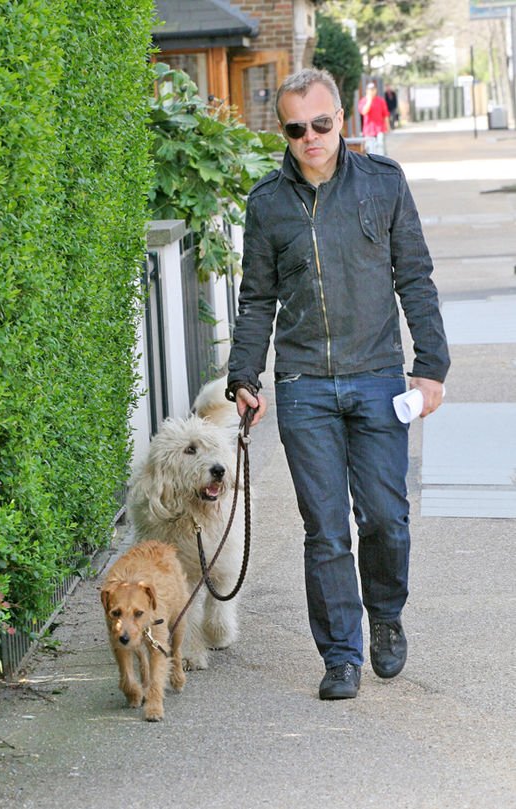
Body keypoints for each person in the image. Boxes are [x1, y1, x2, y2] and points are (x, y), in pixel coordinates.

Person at [225, 68, 449, 701]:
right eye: (297, 129)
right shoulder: (267, 202)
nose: (311, 138)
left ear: (342, 119)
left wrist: (430, 366)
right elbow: (256, 298)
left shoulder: (383, 184)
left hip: (379, 376)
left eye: (321, 124)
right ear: (285, 133)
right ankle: (341, 655)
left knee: (385, 518)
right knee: (324, 528)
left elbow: (417, 278)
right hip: (303, 386)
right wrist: (245, 375)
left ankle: (385, 618)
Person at [358, 80, 390, 154]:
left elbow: (385, 115)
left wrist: (387, 127)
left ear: (376, 90)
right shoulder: (363, 101)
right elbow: (364, 111)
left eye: (373, 89)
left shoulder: (381, 101)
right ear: (367, 91)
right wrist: (369, 100)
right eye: (370, 90)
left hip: (380, 129)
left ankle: (381, 164)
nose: (372, 91)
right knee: (370, 151)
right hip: (368, 131)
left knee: (380, 148)